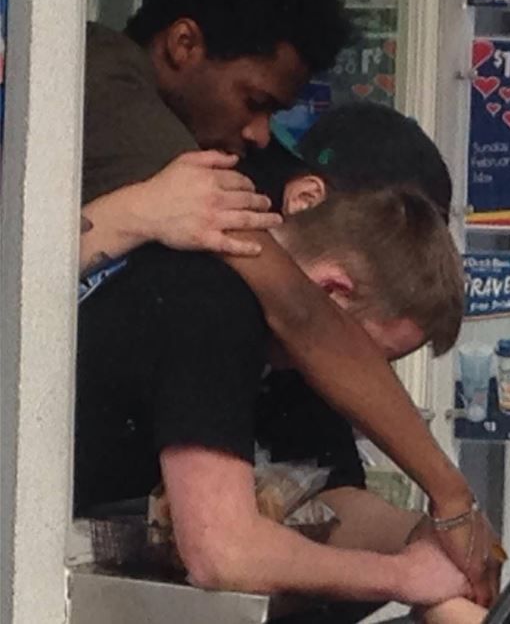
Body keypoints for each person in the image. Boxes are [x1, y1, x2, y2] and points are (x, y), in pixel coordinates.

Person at [76, 0, 500, 599]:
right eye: (255, 102)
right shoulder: (107, 95)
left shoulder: (186, 139)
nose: (255, 135)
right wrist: (450, 498)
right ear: (184, 44)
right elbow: (297, 308)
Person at [76, 184, 473, 617]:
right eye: (366, 359)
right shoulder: (211, 300)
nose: (365, 382)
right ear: (331, 292)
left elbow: (331, 501)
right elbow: (222, 553)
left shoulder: (285, 349)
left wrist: (426, 540)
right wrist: (403, 576)